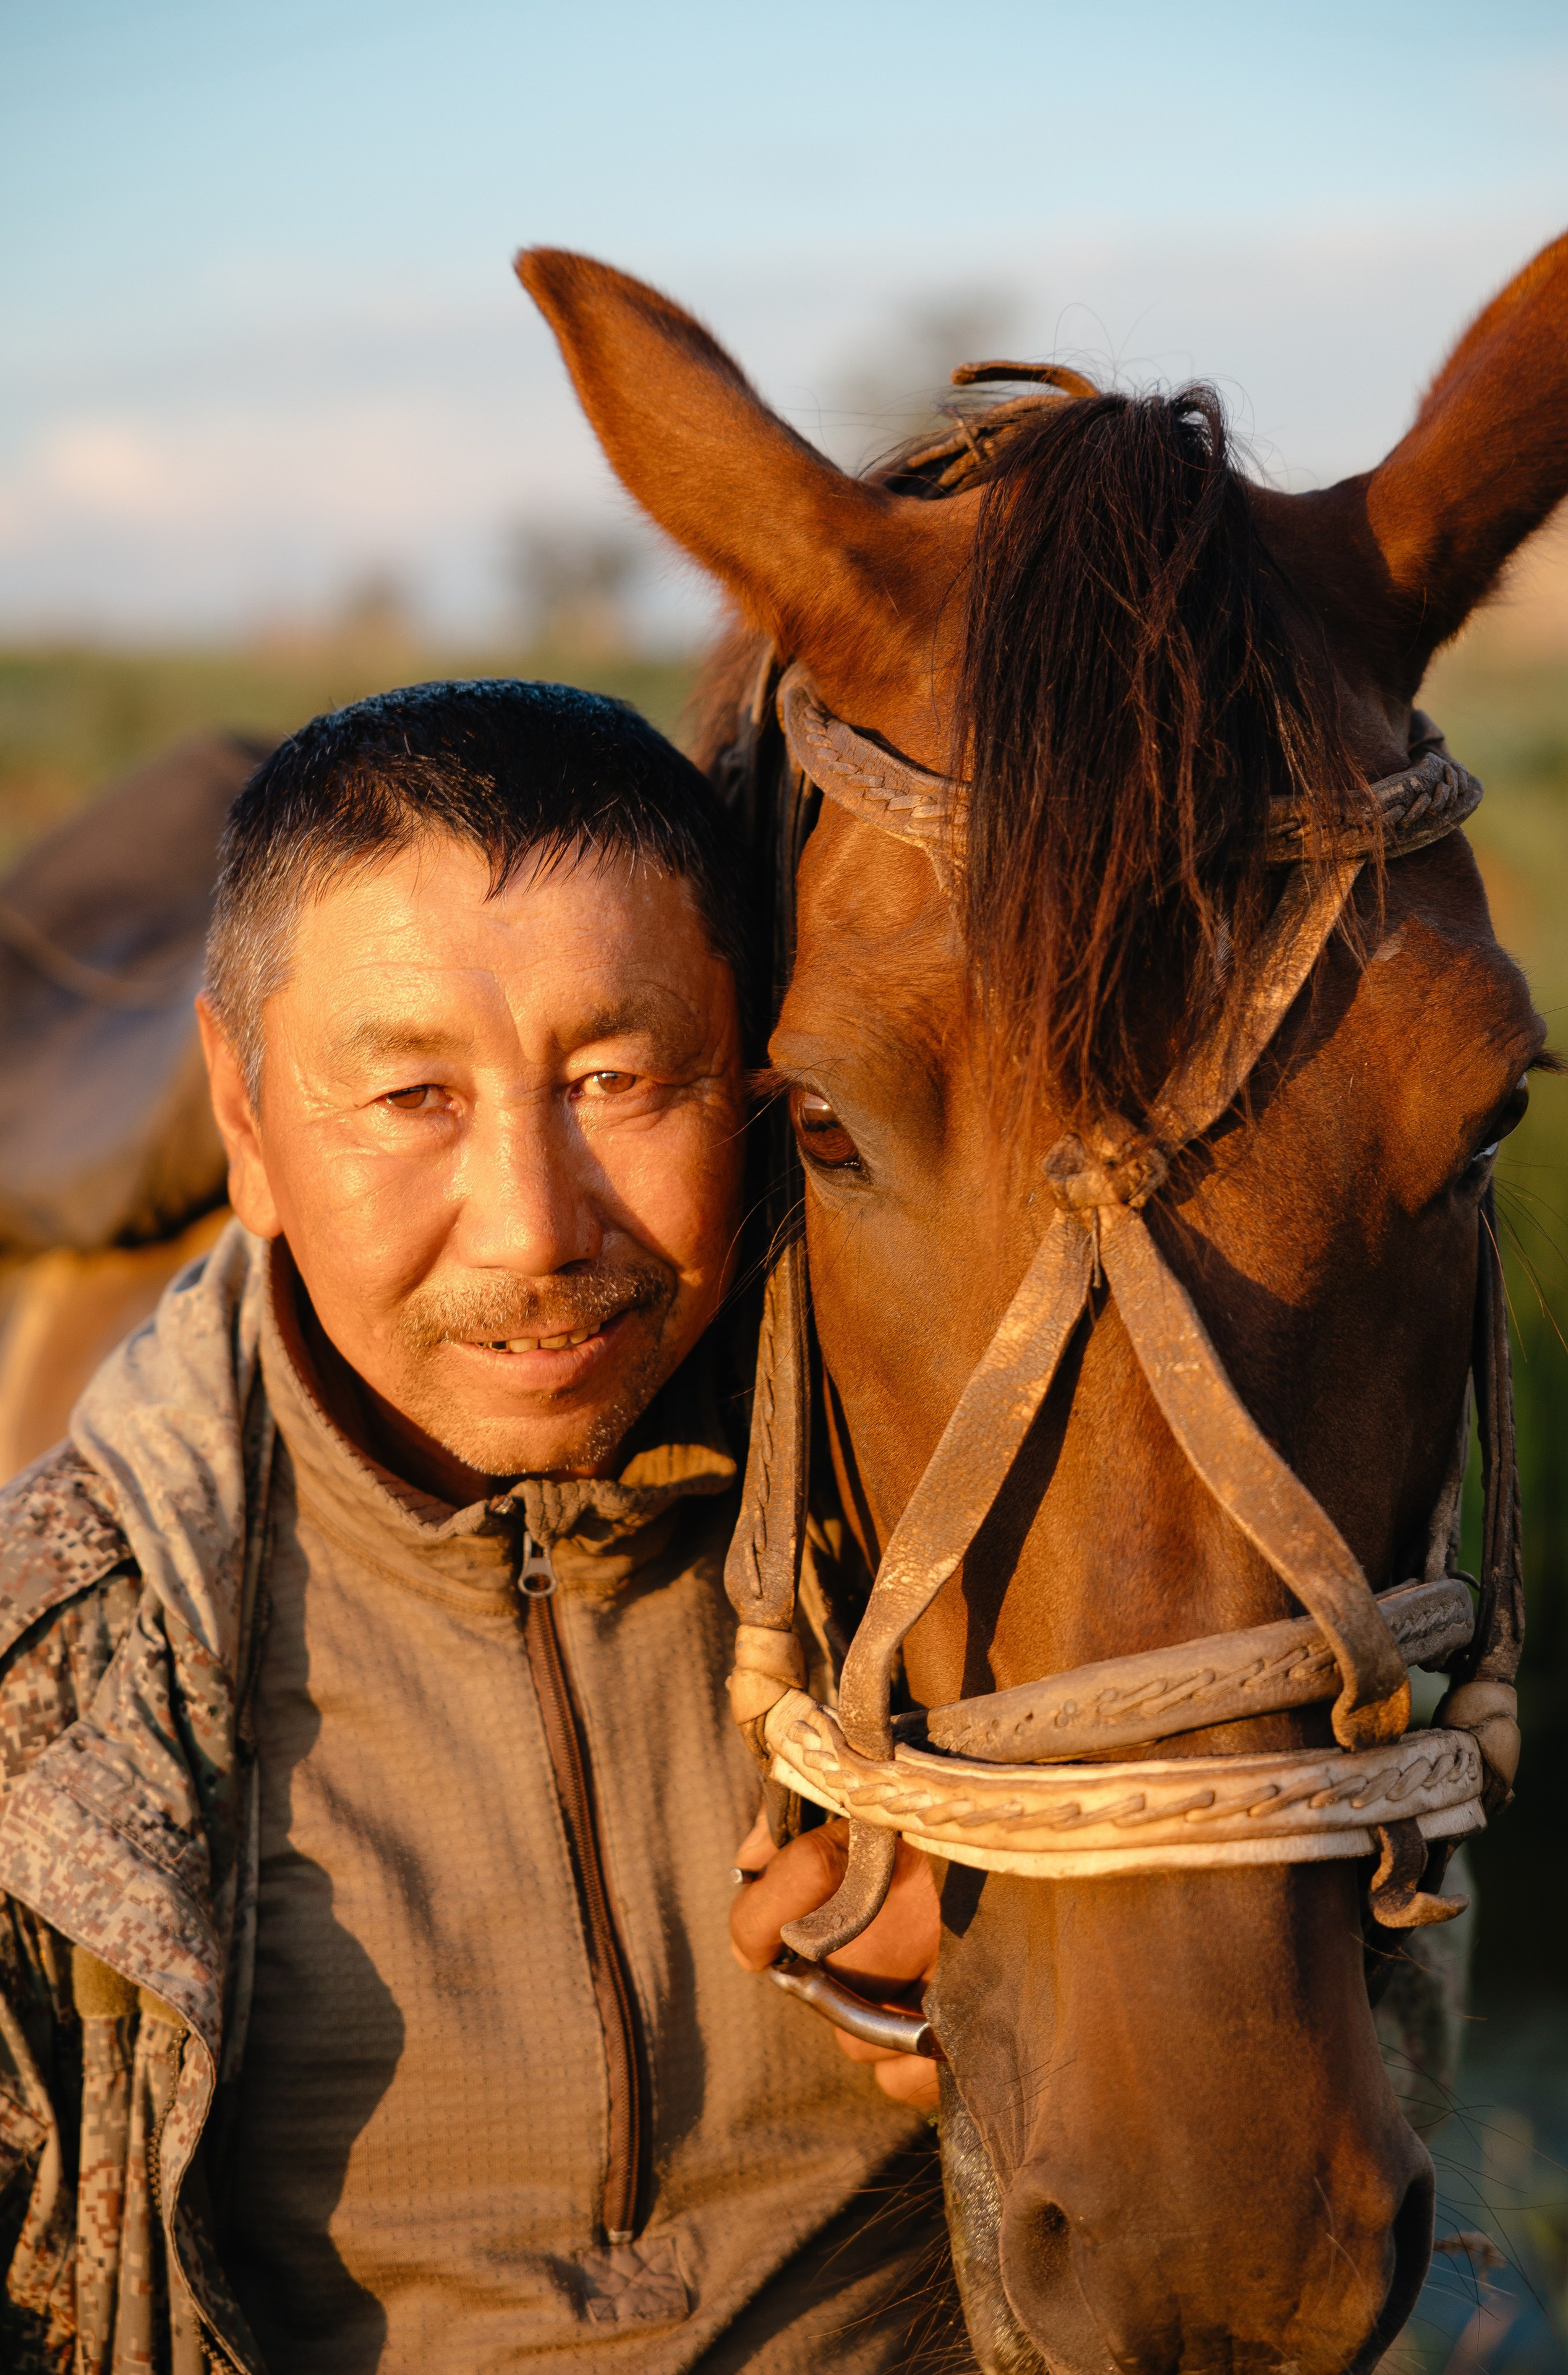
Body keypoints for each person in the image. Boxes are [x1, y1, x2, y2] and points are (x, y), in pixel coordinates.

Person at [0, 680, 946, 2375]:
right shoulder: (63, 1689)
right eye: (413, 1097)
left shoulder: (952, 1550)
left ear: (747, 1070)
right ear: (246, 1122)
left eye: (620, 1076)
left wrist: (1049, 1985)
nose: (533, 1226)